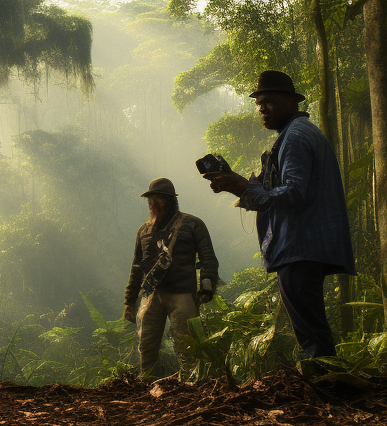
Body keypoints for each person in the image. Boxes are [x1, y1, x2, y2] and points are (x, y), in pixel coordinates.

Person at [203, 70, 355, 362]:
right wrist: (240, 185)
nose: (262, 109)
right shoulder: (294, 135)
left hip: (301, 245)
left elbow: (294, 193)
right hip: (303, 245)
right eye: (259, 103)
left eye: (268, 101)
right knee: (311, 325)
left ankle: (327, 386)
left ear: (290, 101)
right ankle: (328, 383)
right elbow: (281, 188)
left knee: (311, 332)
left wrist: (246, 189)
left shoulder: (296, 137)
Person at [122, 178, 220, 379]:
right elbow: (137, 267)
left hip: (182, 295)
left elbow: (208, 258)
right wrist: (129, 302)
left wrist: (207, 288)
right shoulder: (144, 230)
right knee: (146, 346)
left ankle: (192, 383)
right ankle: (146, 383)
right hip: (151, 296)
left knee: (187, 345)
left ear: (168, 200)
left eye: (156, 199)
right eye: (150, 199)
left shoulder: (192, 224)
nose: (151, 203)